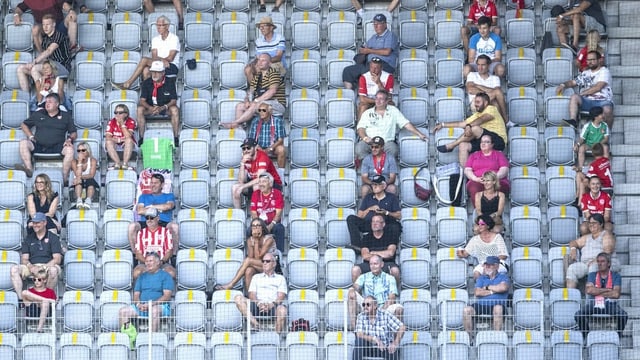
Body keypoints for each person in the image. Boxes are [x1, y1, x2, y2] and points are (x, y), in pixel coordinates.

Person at [434, 92, 507, 167]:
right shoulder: (476, 114)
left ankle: (452, 145)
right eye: (475, 102)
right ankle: (466, 175)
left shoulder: (491, 108)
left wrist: (469, 126)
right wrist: (443, 125)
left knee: (475, 129)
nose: (476, 104)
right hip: (483, 141)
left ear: (485, 103)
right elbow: (461, 124)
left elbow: (483, 119)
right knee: (463, 145)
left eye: (478, 102)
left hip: (498, 141)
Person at [15, 93, 77, 180]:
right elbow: (24, 124)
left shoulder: (66, 116)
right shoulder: (39, 114)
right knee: (23, 143)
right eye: (46, 101)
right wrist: (31, 136)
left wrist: (69, 139)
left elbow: (74, 132)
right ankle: (29, 170)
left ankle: (64, 178)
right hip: (38, 145)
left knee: (70, 150)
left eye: (50, 102)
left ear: (57, 104)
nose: (47, 104)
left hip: (58, 146)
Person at [356, 90, 427, 161]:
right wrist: (365, 138)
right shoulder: (367, 113)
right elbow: (360, 128)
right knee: (360, 148)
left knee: (393, 150)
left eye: (381, 99)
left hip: (386, 143)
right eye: (377, 98)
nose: (378, 101)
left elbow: (406, 124)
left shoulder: (393, 110)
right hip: (370, 142)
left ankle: (384, 168)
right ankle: (370, 166)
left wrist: (419, 134)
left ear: (387, 101)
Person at [114, 15, 180, 89]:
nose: (158, 28)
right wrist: (162, 60)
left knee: (144, 60)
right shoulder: (155, 39)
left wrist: (161, 60)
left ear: (167, 26)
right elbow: (154, 57)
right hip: (159, 64)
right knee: (145, 70)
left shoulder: (174, 38)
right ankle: (149, 94)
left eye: (161, 25)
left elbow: (170, 58)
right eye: (157, 25)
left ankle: (128, 83)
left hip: (171, 66)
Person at [11, 212, 63, 301]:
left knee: (54, 270)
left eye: (38, 222)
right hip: (32, 266)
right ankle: (21, 300)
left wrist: (43, 267)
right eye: (34, 223)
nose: (35, 225)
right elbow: (24, 259)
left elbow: (57, 259)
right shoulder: (29, 238)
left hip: (48, 266)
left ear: (45, 223)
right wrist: (31, 267)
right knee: (14, 269)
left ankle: (46, 297)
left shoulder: (53, 237)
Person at [575, 252, 628, 338]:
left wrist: (597, 291)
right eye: (598, 261)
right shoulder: (592, 275)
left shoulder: (616, 276)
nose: (600, 263)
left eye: (602, 261)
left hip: (610, 304)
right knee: (578, 315)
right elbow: (589, 290)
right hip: (594, 304)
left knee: (623, 315)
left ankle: (618, 336)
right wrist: (607, 290)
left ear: (609, 263)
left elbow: (616, 294)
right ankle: (586, 336)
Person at [225, 53, 286, 128]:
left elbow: (272, 91)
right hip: (261, 104)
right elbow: (250, 92)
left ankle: (235, 123)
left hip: (277, 104)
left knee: (254, 105)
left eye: (263, 60)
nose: (260, 62)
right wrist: (247, 101)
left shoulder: (274, 73)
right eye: (259, 60)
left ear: (270, 63)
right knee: (240, 106)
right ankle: (239, 130)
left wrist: (256, 100)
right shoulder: (257, 77)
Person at [16, 13, 72, 94]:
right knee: (20, 68)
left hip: (62, 67)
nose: (45, 27)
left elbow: (49, 51)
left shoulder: (59, 35)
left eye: (48, 24)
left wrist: (34, 62)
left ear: (53, 24)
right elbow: (44, 55)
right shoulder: (45, 39)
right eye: (43, 24)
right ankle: (27, 97)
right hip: (50, 66)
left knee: (35, 69)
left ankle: (42, 96)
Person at [216, 218, 278, 290]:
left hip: (270, 265)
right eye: (253, 226)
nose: (255, 228)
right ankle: (251, 297)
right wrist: (254, 240)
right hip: (258, 265)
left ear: (262, 228)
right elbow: (252, 257)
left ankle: (231, 284)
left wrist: (256, 241)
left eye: (258, 225)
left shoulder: (269, 239)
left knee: (248, 261)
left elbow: (259, 258)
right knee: (248, 270)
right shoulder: (250, 240)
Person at [119, 252, 174, 332]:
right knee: (123, 311)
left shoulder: (165, 276)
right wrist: (139, 304)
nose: (148, 263)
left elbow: (166, 296)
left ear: (158, 262)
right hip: (142, 307)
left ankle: (152, 340)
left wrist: (151, 304)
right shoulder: (141, 277)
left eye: (151, 261)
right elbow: (136, 295)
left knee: (154, 311)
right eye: (147, 261)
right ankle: (128, 336)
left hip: (160, 306)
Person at [557, 51, 613, 129]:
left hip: (603, 101)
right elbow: (573, 82)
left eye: (593, 60)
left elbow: (598, 87)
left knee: (608, 110)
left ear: (599, 60)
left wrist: (583, 94)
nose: (590, 62)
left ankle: (606, 133)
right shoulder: (585, 73)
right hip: (588, 101)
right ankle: (573, 121)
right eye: (588, 60)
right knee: (574, 97)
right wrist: (563, 85)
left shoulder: (604, 71)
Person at [233, 253, 288, 333]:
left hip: (273, 306)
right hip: (257, 305)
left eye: (267, 261)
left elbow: (280, 297)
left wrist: (270, 305)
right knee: (238, 298)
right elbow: (251, 294)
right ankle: (255, 324)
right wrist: (259, 303)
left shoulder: (280, 278)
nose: (264, 263)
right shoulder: (256, 277)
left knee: (282, 310)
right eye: (263, 261)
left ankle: (276, 336)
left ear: (274, 264)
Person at [127, 173, 179, 257]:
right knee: (132, 226)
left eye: (156, 183)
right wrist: (159, 208)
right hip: (147, 221)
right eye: (151, 183)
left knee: (174, 227)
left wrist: (151, 207)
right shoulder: (143, 196)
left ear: (162, 184)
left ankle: (173, 255)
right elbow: (140, 210)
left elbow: (168, 206)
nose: (153, 185)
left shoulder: (169, 196)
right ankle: (135, 255)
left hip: (163, 222)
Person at [343, 14, 399, 90]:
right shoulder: (374, 37)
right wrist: (363, 50)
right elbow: (364, 49)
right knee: (348, 71)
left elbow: (387, 52)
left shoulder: (390, 35)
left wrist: (369, 50)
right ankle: (350, 95)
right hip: (370, 64)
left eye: (378, 24)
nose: (376, 26)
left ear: (385, 24)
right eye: (375, 24)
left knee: (366, 73)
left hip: (385, 65)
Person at [348, 255, 403, 330]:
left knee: (399, 309)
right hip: (366, 306)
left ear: (382, 264)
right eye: (371, 264)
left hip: (384, 308)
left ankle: (394, 339)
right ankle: (355, 329)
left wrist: (379, 312)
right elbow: (356, 288)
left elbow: (392, 297)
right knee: (351, 293)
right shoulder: (363, 277)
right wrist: (351, 289)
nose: (373, 266)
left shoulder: (390, 278)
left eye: (375, 264)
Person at [566, 213, 619, 288]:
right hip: (586, 264)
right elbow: (573, 242)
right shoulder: (587, 237)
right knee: (572, 269)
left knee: (594, 267)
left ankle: (591, 297)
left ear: (601, 224)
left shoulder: (606, 235)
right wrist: (573, 249)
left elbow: (607, 251)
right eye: (590, 223)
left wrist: (595, 261)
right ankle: (570, 296)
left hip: (603, 263)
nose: (591, 225)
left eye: (594, 223)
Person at [463, 256, 510, 337]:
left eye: (490, 265)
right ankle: (469, 338)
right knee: (466, 310)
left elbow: (503, 288)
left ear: (497, 266)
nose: (487, 267)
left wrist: (487, 287)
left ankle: (497, 338)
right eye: (486, 265)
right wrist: (494, 291)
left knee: (498, 308)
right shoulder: (481, 278)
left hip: (497, 305)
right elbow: (477, 292)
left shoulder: (503, 277)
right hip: (482, 305)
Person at [350, 214, 401, 290]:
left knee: (395, 270)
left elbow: (390, 253)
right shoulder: (366, 237)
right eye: (373, 222)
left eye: (377, 222)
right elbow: (365, 255)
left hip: (386, 264)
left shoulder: (390, 236)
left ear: (383, 224)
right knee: (355, 270)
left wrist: (373, 253)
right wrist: (381, 255)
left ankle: (394, 293)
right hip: (369, 264)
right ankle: (358, 295)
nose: (374, 224)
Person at [348, 175, 402, 246]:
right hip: (369, 224)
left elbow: (399, 216)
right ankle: (357, 246)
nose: (374, 186)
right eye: (373, 184)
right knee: (351, 219)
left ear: (383, 186)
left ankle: (391, 247)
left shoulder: (391, 197)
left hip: (384, 224)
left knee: (396, 226)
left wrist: (386, 212)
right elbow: (359, 216)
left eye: (377, 184)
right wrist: (369, 209)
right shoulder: (368, 197)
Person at [136, 61, 180, 145]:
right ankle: (141, 137)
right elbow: (142, 100)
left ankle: (175, 137)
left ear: (163, 73)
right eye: (153, 71)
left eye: (157, 72)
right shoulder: (146, 83)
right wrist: (150, 108)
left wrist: (163, 107)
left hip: (164, 108)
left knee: (175, 110)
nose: (154, 74)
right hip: (151, 108)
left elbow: (173, 100)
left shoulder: (170, 82)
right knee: (139, 109)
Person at [231, 138, 283, 209]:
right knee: (235, 188)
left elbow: (260, 178)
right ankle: (238, 215)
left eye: (248, 148)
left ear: (255, 148)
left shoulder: (262, 157)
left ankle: (260, 215)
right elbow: (241, 181)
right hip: (255, 183)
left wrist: (243, 186)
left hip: (273, 184)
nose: (246, 150)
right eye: (244, 149)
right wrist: (242, 164)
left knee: (257, 186)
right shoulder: (246, 159)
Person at [13, 0, 78, 53]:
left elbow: (64, 4)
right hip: (45, 28)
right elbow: (20, 8)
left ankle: (72, 47)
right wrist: (16, 15)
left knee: (72, 17)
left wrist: (71, 10)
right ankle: (42, 54)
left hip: (58, 26)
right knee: (35, 29)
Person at [353, 295, 406, 360]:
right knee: (359, 341)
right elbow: (359, 334)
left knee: (393, 350)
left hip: (384, 348)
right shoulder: (360, 316)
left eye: (368, 304)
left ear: (375, 306)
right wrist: (375, 339)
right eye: (363, 305)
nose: (365, 307)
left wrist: (395, 343)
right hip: (368, 348)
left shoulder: (385, 314)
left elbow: (402, 327)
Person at [131, 208, 176, 280]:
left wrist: (161, 262)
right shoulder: (141, 232)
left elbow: (169, 251)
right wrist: (147, 263)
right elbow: (138, 252)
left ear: (157, 218)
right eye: (147, 218)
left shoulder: (166, 231)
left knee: (171, 273)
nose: (149, 220)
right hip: (145, 263)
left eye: (151, 218)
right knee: (136, 273)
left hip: (161, 263)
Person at [463, 134, 510, 201]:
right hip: (478, 181)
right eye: (482, 142)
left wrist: (492, 178)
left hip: (496, 180)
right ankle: (479, 210)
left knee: (497, 186)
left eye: (486, 142)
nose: (483, 144)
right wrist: (475, 178)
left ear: (492, 144)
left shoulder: (499, 154)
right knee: (474, 187)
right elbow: (467, 170)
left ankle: (495, 210)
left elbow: (504, 169)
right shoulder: (473, 155)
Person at [465, 55, 508, 125]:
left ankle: (500, 126)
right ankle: (505, 120)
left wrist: (477, 85)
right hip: (476, 104)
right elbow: (470, 90)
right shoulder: (472, 75)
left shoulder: (495, 78)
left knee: (495, 102)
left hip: (490, 104)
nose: (480, 68)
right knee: (496, 96)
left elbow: (498, 92)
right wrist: (489, 92)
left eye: (483, 65)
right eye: (478, 65)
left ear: (488, 65)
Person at [250, 173, 285, 252]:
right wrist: (259, 226)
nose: (261, 184)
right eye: (259, 182)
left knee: (280, 228)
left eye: (264, 182)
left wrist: (271, 225)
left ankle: (279, 254)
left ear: (270, 183)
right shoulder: (255, 194)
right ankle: (251, 254)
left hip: (273, 224)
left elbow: (278, 213)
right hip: (260, 224)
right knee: (249, 230)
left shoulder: (277, 194)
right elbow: (254, 213)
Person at [247, 103, 287, 170]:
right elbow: (251, 139)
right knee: (247, 149)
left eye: (264, 110)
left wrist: (270, 148)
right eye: (259, 110)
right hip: (258, 146)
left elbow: (280, 140)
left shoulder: (278, 121)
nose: (261, 112)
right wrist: (258, 147)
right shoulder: (255, 121)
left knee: (281, 149)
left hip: (273, 147)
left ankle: (281, 174)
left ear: (270, 112)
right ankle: (252, 173)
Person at [246, 16, 286, 81]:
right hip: (263, 63)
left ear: (271, 27)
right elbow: (258, 57)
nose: (261, 29)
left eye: (264, 26)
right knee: (248, 69)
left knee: (261, 69)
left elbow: (278, 57)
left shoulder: (280, 38)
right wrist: (253, 64)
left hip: (277, 64)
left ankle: (264, 89)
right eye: (260, 27)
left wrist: (265, 62)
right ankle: (255, 90)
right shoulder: (258, 41)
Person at [574, 106, 610, 171]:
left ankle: (605, 168)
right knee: (581, 148)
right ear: (596, 117)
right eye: (601, 114)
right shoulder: (587, 126)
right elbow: (582, 138)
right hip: (589, 144)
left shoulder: (604, 125)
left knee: (605, 147)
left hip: (599, 145)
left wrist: (598, 144)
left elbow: (606, 138)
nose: (603, 115)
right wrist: (577, 144)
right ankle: (580, 167)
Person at [105, 104, 137, 170]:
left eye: (120, 113)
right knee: (108, 142)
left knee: (128, 141)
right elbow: (108, 137)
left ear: (126, 114)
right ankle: (117, 163)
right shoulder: (112, 121)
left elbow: (128, 136)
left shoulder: (131, 121)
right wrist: (120, 140)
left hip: (128, 144)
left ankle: (125, 164)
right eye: (116, 113)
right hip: (116, 143)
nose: (117, 114)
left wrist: (122, 124)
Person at [70, 141, 99, 209]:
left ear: (88, 151)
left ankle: (88, 200)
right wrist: (79, 161)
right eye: (78, 150)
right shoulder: (74, 162)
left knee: (90, 180)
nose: (80, 152)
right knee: (78, 182)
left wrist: (79, 178)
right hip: (78, 184)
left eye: (83, 150)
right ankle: (79, 200)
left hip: (88, 182)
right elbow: (77, 174)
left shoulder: (93, 160)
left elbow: (91, 175)